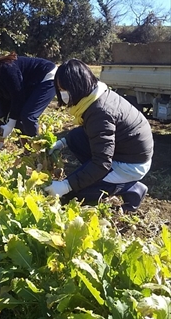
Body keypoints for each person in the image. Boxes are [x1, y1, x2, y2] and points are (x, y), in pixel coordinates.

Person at [45, 58, 154, 212]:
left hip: (131, 165)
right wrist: (63, 142)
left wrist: (66, 185)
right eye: (60, 89)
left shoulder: (100, 112)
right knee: (75, 138)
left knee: (73, 197)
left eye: (64, 89)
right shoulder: (95, 96)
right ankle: (100, 179)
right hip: (125, 151)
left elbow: (102, 163)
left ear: (77, 86)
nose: (62, 94)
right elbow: (91, 133)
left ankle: (132, 188)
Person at [0, 52, 57, 140]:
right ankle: (26, 144)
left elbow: (18, 96)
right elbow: (4, 108)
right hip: (30, 83)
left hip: (47, 76)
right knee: (17, 117)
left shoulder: (5, 69)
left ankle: (38, 145)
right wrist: (2, 134)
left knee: (28, 116)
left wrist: (10, 125)